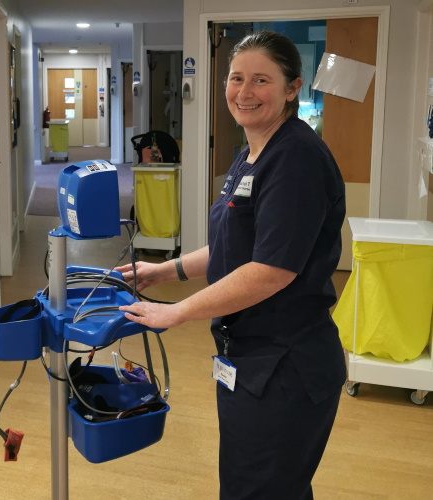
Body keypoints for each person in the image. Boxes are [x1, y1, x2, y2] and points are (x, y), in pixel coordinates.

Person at [117, 30, 346, 500]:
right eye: (236, 78)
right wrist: (165, 271)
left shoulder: (295, 159)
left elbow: (271, 270)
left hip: (285, 366)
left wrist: (177, 311)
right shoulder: (251, 152)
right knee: (260, 485)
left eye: (261, 80)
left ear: (292, 87)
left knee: (260, 489)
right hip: (248, 357)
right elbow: (234, 245)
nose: (244, 92)